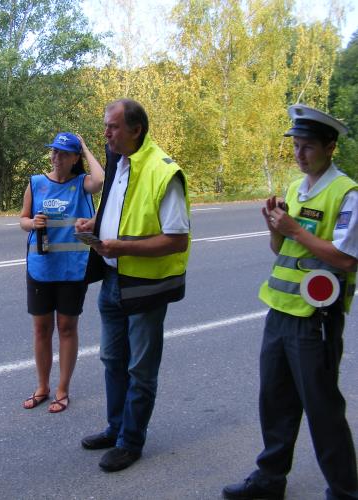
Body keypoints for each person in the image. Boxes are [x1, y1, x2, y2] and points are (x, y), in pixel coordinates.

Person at [222, 105, 358, 500]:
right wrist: (274, 226)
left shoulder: (346, 193)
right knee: (275, 400)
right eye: (296, 147)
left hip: (316, 318)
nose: (299, 155)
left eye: (308, 147)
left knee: (321, 408)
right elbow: (280, 249)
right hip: (280, 310)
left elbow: (347, 259)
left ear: (331, 147)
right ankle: (269, 478)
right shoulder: (298, 189)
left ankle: (345, 489)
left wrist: (294, 227)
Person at [75, 99, 191, 472]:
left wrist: (120, 246)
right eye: (106, 126)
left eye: (113, 127)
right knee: (112, 360)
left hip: (146, 286)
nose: (106, 133)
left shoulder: (163, 170)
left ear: (135, 129)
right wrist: (94, 226)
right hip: (113, 279)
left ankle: (131, 441)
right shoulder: (118, 161)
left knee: (140, 369)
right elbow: (118, 209)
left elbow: (177, 239)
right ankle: (115, 427)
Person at [20, 132, 104, 413]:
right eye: (54, 152)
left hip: (72, 269)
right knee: (41, 330)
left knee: (67, 328)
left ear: (74, 158)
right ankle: (42, 386)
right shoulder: (36, 183)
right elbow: (22, 220)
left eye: (64, 153)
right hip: (41, 268)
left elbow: (100, 179)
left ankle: (62, 389)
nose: (57, 158)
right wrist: (33, 223)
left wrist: (85, 146)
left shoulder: (82, 184)